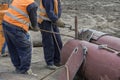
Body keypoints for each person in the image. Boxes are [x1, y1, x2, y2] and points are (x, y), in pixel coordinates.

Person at [2, 0, 39, 75]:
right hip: (15, 27)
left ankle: (18, 67)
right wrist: (35, 27)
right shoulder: (32, 4)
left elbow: (18, 14)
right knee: (26, 47)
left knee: (12, 47)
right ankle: (24, 70)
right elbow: (34, 21)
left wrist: (27, 25)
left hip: (6, 23)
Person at [38, 0, 65, 70]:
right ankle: (49, 63)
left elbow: (58, 7)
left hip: (52, 21)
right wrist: (56, 20)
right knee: (49, 42)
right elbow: (49, 11)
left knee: (58, 41)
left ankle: (57, 61)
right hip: (45, 21)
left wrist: (58, 18)